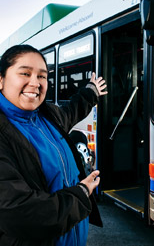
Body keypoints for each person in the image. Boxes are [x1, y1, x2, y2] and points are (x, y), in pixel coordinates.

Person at [0, 44, 108, 246]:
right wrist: (82, 194)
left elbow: (73, 110)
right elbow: (20, 212)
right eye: (25, 73)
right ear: (1, 80)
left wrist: (91, 92)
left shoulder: (48, 116)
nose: (35, 83)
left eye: (42, 76)